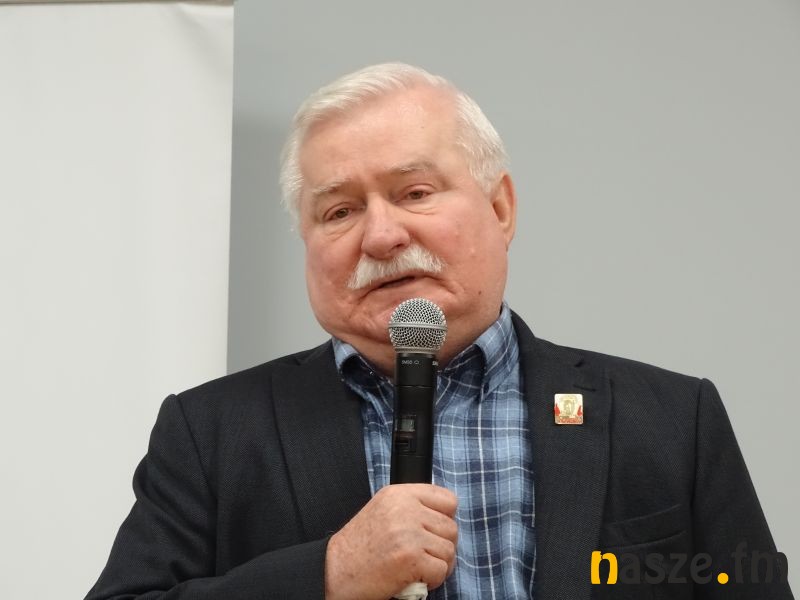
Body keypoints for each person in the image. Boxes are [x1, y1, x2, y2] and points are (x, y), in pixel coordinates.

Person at [86, 63, 792, 599]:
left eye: (415, 193)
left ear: (500, 208)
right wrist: (327, 575)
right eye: (338, 212)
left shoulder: (671, 419)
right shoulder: (209, 433)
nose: (382, 236)